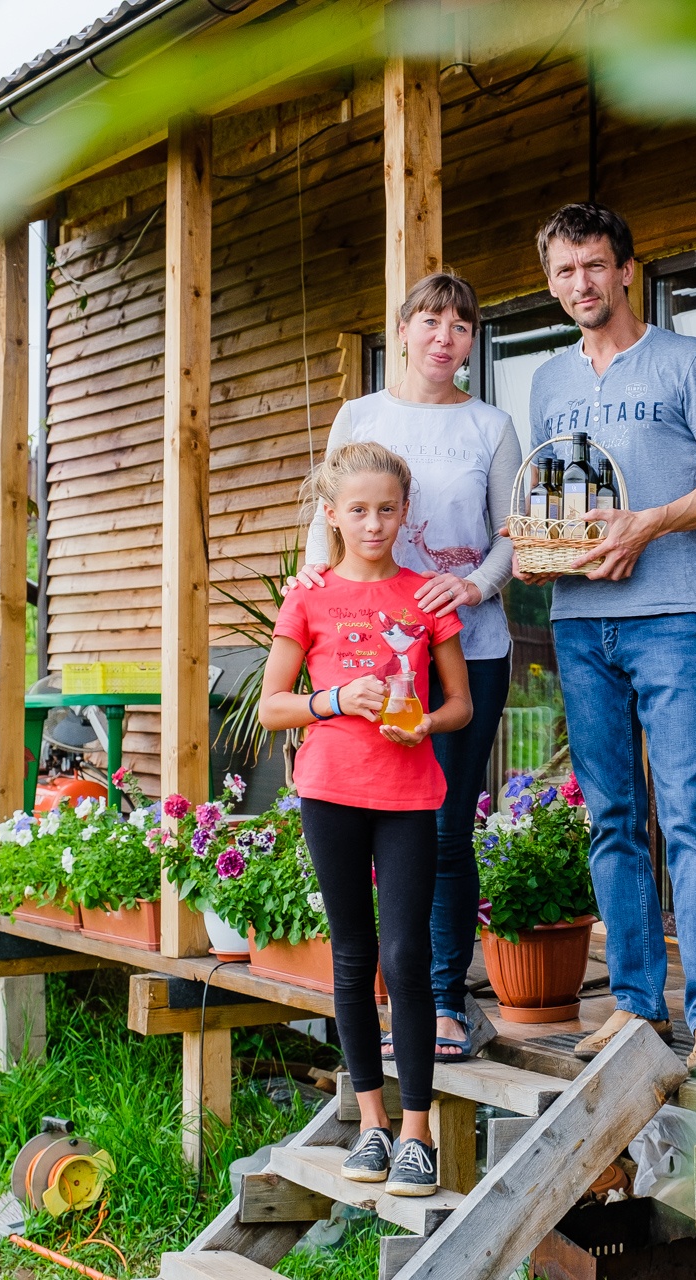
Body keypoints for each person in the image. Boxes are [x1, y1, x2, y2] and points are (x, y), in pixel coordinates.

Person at [520, 203, 696, 1075]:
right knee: (613, 818)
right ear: (551, 284)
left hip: (668, 618)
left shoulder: (687, 361)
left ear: (626, 269)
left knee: (691, 814)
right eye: (563, 272)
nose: (580, 284)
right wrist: (540, 557)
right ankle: (631, 1005)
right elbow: (556, 508)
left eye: (594, 266)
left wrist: (648, 525)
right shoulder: (547, 382)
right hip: (578, 626)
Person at [291, 271, 521, 1061]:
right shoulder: (362, 415)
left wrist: (477, 583)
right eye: (430, 320)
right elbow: (328, 516)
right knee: (369, 831)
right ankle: (384, 998)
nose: (444, 335)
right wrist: (308, 584)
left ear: (471, 339)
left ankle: (445, 1001)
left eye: (460, 323)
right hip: (365, 655)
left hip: (465, 647)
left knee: (446, 827)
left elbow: (514, 532)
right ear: (403, 329)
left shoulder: (490, 425)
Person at [260, 441, 473, 1195]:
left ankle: (417, 1133)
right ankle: (372, 1125)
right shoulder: (308, 596)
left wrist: (427, 726)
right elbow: (272, 703)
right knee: (352, 960)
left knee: (405, 957)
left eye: (387, 509)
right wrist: (335, 701)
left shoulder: (425, 597)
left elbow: (461, 705)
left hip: (409, 795)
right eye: (358, 510)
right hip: (329, 793)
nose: (374, 522)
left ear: (404, 512)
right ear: (333, 515)